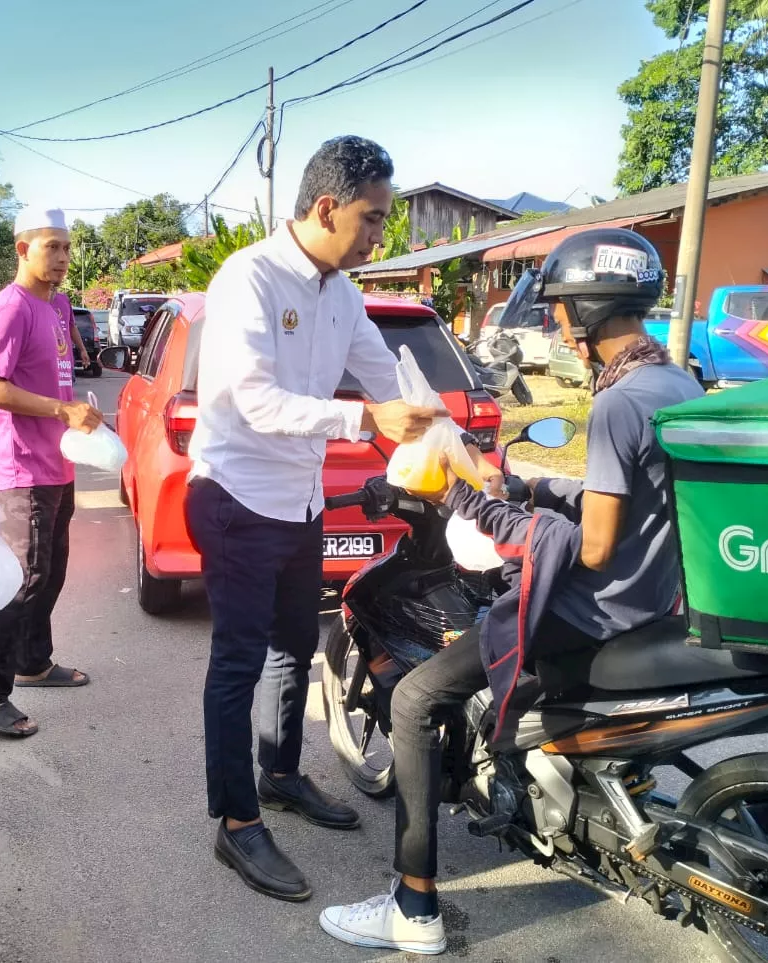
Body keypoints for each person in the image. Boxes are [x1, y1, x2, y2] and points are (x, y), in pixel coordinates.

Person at [320, 228, 704, 955]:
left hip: (594, 610)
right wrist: (531, 484)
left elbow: (591, 545)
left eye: (561, 309)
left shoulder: (619, 402)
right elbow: (619, 499)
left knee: (413, 698)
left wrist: (484, 508)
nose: (557, 324)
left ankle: (414, 907)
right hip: (655, 600)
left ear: (589, 311)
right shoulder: (676, 380)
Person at [186, 135, 503, 903]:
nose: (378, 236)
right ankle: (235, 822)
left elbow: (398, 383)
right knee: (236, 661)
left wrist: (468, 457)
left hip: (294, 501)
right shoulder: (248, 279)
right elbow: (250, 401)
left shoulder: (344, 293)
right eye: (371, 219)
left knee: (294, 645)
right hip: (234, 495)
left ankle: (284, 773)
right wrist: (365, 424)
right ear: (326, 207)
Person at [0, 207, 102, 738]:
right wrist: (60, 411)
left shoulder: (57, 304)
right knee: (22, 580)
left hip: (58, 462)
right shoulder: (10, 309)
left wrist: (75, 413)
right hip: (20, 466)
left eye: (67, 247)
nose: (63, 258)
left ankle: (33, 662)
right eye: (52, 247)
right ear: (22, 249)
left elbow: (57, 379)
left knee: (53, 570)